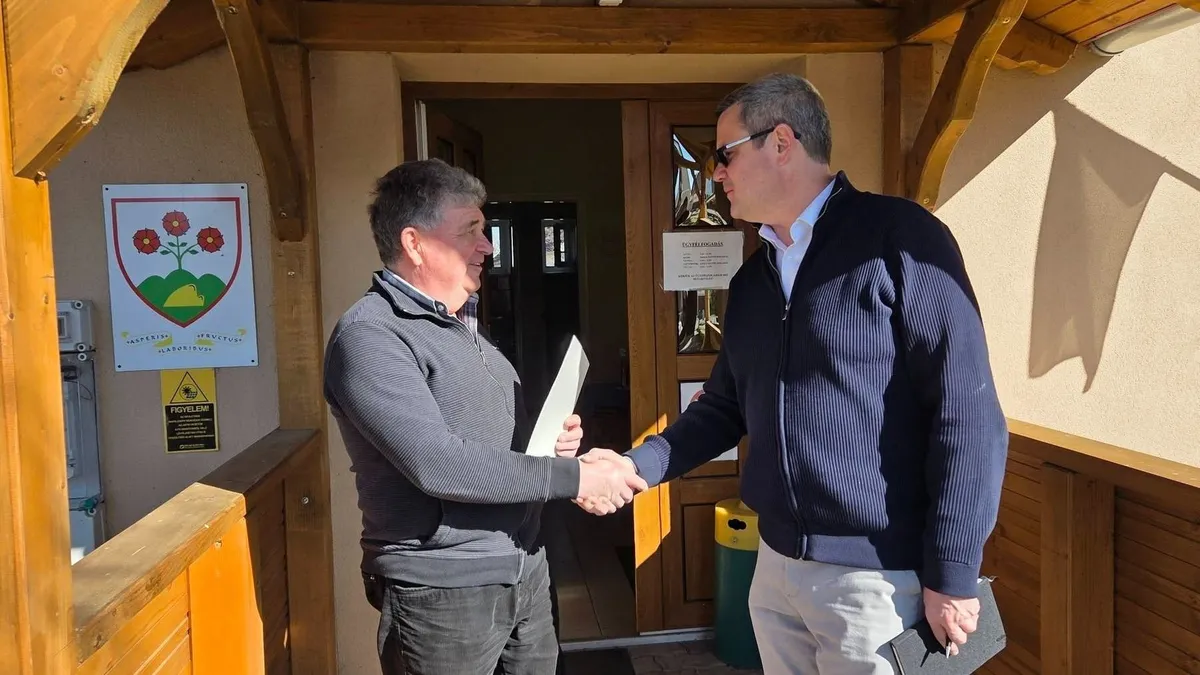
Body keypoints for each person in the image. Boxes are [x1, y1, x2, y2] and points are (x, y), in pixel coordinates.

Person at [584, 73, 1008, 673]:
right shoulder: (752, 280)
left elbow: (967, 411)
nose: (715, 173)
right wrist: (633, 467)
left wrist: (954, 572)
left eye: (725, 154)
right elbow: (724, 406)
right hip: (775, 568)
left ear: (781, 142)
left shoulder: (900, 239)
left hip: (878, 583)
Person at [324, 158, 646, 675]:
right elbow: (438, 464)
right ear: (414, 243)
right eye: (470, 231)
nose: (488, 246)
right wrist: (574, 476)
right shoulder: (371, 336)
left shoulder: (464, 327)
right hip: (442, 590)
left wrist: (548, 448)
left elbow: (487, 443)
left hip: (524, 566)